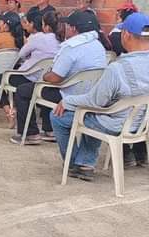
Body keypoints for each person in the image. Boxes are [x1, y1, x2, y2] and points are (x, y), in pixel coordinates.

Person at [51, 13, 149, 180]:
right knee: (94, 112)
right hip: (145, 120)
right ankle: (85, 163)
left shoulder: (118, 68)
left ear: (126, 34)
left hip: (116, 124)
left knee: (59, 115)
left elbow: (94, 101)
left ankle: (74, 164)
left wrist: (67, 101)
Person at [12, 10, 107, 145]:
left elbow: (55, 78)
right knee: (46, 89)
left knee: (24, 90)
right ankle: (49, 130)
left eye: (67, 25)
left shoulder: (71, 47)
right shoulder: (98, 46)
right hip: (90, 93)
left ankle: (30, 134)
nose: (64, 28)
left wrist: (45, 76)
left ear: (73, 28)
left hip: (69, 94)